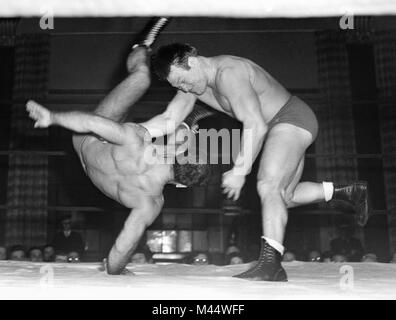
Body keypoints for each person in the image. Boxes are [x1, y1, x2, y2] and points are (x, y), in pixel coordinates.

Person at [143, 43, 371, 281]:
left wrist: (240, 171)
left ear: (191, 61)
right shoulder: (192, 85)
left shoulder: (229, 73)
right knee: (284, 198)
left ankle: (271, 265)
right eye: (176, 85)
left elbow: (256, 125)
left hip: (290, 117)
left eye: (182, 80)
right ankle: (350, 192)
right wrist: (130, 132)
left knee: (267, 185)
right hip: (277, 126)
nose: (183, 87)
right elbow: (168, 118)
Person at [26, 18, 212, 275]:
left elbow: (91, 121)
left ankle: (143, 44)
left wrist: (53, 118)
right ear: (182, 183)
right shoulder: (151, 204)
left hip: (91, 136)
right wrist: (115, 271)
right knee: (166, 123)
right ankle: (189, 93)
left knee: (141, 79)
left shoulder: (138, 143)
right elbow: (123, 246)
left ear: (179, 155)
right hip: (94, 159)